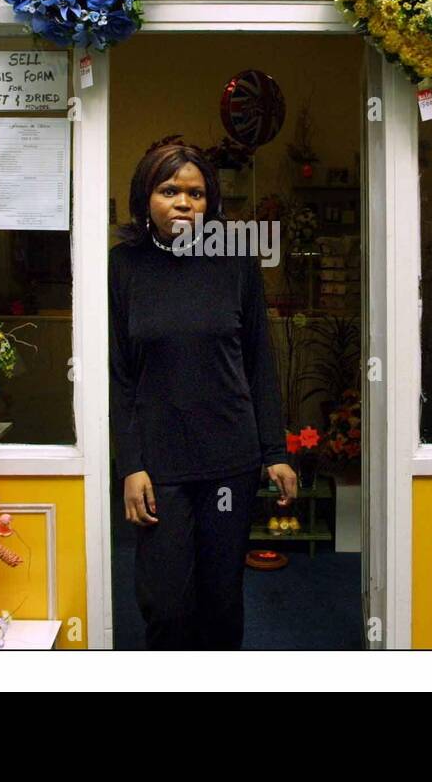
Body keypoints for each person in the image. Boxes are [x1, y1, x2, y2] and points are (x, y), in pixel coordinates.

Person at [110, 141, 298, 649]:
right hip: (159, 467)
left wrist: (274, 452)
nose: (183, 202)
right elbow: (118, 375)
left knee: (221, 602)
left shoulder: (235, 261)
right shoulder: (123, 266)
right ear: (145, 196)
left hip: (228, 461)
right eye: (169, 190)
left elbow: (260, 360)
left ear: (210, 202)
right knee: (166, 606)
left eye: (195, 193)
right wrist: (130, 464)